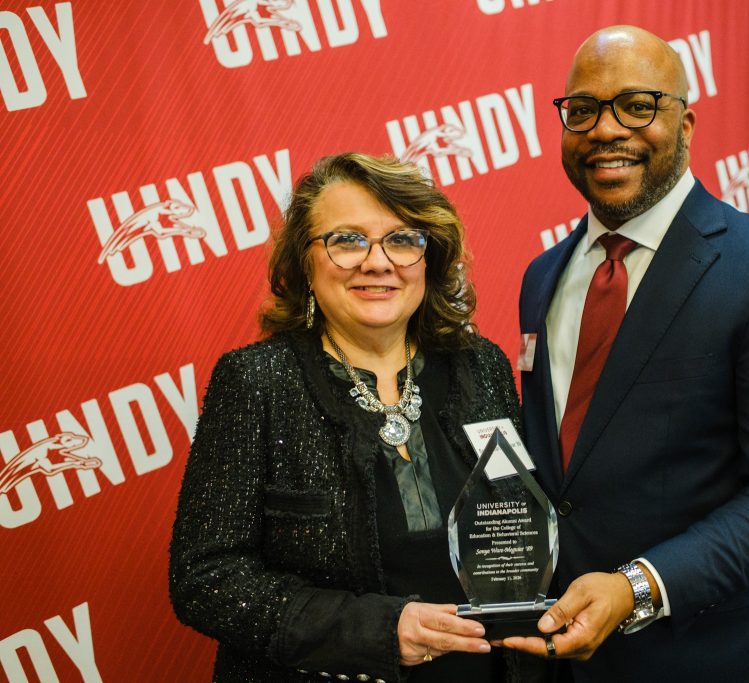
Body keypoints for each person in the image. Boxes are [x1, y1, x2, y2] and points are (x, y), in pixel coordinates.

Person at [504, 25, 749, 682]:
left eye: (637, 105)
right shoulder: (541, 275)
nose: (606, 129)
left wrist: (636, 586)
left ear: (686, 123)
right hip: (562, 656)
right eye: (583, 109)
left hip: (715, 655)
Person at [170, 153, 541, 683]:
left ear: (430, 256)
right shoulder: (258, 382)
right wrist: (374, 632)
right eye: (347, 241)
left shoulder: (480, 365)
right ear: (304, 261)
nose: (377, 262)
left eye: (402, 239)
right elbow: (204, 577)